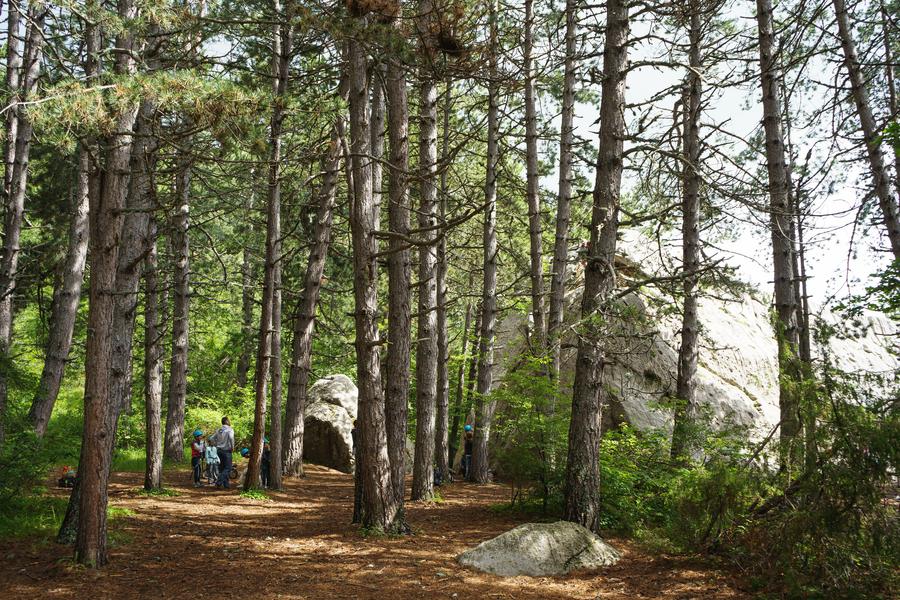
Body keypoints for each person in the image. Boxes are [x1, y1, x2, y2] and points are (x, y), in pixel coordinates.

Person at [208, 417, 235, 489]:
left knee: (222, 468)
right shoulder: (230, 430)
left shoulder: (219, 430)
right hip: (226, 451)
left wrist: (215, 444)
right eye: (229, 420)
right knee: (228, 468)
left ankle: (226, 485)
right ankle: (219, 481)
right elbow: (231, 438)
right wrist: (232, 447)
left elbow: (211, 438)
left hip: (218, 451)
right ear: (227, 421)